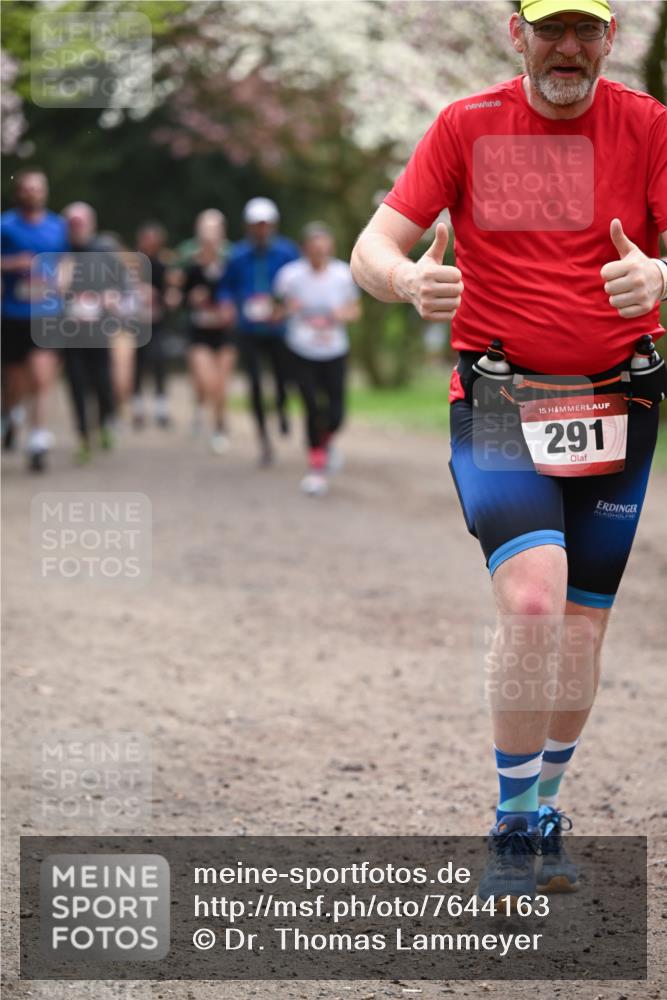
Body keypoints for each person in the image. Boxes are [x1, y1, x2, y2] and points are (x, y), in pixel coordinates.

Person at [351, 0, 667, 904]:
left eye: (585, 30)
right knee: (533, 600)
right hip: (499, 399)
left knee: (580, 626)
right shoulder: (467, 126)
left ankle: (544, 805)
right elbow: (370, 245)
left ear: (611, 37)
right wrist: (408, 277)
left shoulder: (646, 127)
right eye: (548, 29)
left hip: (621, 400)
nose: (566, 48)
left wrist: (657, 277)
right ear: (515, 35)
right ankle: (513, 822)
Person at [275, 222, 361, 496]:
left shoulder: (343, 274)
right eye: (314, 248)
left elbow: (354, 311)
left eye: (324, 248)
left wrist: (340, 315)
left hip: (334, 350)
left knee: (336, 413)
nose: (319, 253)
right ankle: (316, 468)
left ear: (331, 248)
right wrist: (287, 309)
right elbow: (274, 309)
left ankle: (325, 442)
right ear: (305, 249)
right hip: (301, 351)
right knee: (311, 406)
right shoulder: (290, 276)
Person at [217, 198, 300, 466]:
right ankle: (264, 439)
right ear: (249, 227)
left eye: (265, 225)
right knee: (254, 383)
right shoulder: (238, 255)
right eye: (256, 226)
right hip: (249, 328)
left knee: (282, 378)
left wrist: (285, 306)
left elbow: (298, 282)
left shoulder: (287, 252)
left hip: (278, 328)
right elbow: (224, 287)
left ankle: (282, 407)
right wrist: (227, 304)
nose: (261, 230)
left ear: (272, 225)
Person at [1, 169, 67, 470]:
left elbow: (66, 262)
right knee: (15, 381)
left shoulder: (57, 227)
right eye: (27, 189)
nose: (32, 193)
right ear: (20, 193)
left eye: (38, 189)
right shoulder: (5, 225)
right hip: (13, 312)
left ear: (45, 192)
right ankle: (10, 414)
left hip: (47, 311)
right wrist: (13, 263)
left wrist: (62, 282)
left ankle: (38, 438)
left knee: (42, 378)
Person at [59, 202, 122, 463]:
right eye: (72, 224)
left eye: (81, 223)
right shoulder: (60, 251)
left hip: (98, 329)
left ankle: (106, 421)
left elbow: (121, 284)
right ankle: (83, 437)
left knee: (102, 381)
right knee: (76, 383)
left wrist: (111, 297)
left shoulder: (103, 249)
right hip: (69, 330)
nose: (76, 229)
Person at [179, 210, 236, 452]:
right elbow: (177, 295)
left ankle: (219, 427)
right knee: (205, 381)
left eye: (214, 231)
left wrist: (232, 307)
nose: (210, 237)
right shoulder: (189, 262)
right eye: (205, 231)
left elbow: (240, 290)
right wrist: (189, 297)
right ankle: (201, 409)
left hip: (225, 332)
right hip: (199, 331)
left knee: (220, 386)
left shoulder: (233, 261)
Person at [132, 222, 171, 429]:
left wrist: (160, 297)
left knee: (159, 360)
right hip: (137, 322)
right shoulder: (133, 265)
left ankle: (161, 406)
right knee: (137, 364)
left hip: (157, 322)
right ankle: (137, 406)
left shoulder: (163, 266)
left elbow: (169, 295)